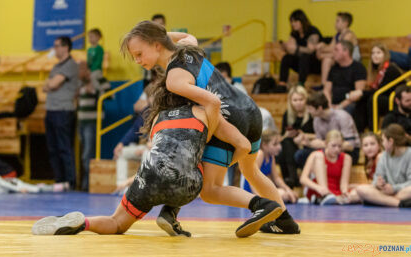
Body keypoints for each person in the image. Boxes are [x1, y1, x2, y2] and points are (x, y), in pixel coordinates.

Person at [120, 21, 299, 236]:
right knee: (250, 170)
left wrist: (208, 136)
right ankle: (285, 221)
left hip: (228, 118)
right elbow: (179, 37)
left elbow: (213, 103)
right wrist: (156, 36)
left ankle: (261, 205)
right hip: (250, 110)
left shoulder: (174, 80)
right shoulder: (189, 47)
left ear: (156, 45)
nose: (138, 61)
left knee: (209, 189)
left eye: (139, 53)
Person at [33, 102, 212, 236]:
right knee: (199, 163)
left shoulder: (159, 115)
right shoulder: (203, 111)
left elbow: (160, 156)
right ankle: (169, 212)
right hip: (183, 184)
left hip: (149, 175)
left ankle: (83, 224)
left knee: (116, 223)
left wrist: (129, 181)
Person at [0, 130, 69, 193]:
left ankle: (57, 187)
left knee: (31, 188)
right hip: (2, 175)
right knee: (29, 187)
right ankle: (52, 187)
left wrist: (17, 189)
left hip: (7, 173)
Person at [44, 36, 79, 189]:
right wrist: (50, 84)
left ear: (66, 47)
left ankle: (70, 181)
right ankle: (60, 180)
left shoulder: (71, 65)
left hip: (63, 111)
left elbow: (52, 83)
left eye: (57, 46)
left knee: (65, 147)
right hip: (51, 109)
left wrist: (51, 84)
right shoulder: (56, 67)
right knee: (52, 148)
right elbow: (46, 86)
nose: (55, 49)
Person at [355, 124, 411, 208]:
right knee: (361, 189)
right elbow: (376, 178)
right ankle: (398, 203)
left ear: (391, 141)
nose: (383, 144)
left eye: (383, 140)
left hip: (403, 192)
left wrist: (394, 188)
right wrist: (378, 184)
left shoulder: (409, 154)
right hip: (388, 192)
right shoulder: (383, 156)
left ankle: (384, 201)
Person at [297, 91, 360, 165]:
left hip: (348, 152)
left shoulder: (342, 117)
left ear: (319, 108)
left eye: (310, 109)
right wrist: (309, 143)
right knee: (301, 154)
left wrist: (326, 145)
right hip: (328, 150)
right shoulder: (316, 120)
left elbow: (350, 145)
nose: (308, 112)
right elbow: (319, 142)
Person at [355, 43, 402, 131]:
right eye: (373, 53)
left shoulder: (391, 69)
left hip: (396, 101)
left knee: (373, 99)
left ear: (385, 55)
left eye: (378, 53)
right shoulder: (376, 71)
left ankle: (373, 131)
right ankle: (359, 132)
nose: (375, 56)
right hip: (383, 98)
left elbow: (381, 91)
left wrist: (361, 92)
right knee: (362, 100)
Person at [299, 130, 352, 205]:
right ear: (326, 144)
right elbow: (303, 179)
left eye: (339, 146)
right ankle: (325, 196)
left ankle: (334, 199)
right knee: (319, 156)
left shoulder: (346, 158)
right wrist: (319, 188)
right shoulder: (316, 155)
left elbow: (344, 184)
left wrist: (345, 193)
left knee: (359, 192)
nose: (337, 149)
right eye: (333, 146)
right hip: (319, 190)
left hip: (336, 192)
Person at [323, 40, 367, 131]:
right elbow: (326, 90)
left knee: (346, 112)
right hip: (333, 103)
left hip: (350, 103)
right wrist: (329, 104)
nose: (333, 52)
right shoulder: (334, 68)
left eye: (336, 50)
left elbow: (358, 93)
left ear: (345, 51)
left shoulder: (358, 68)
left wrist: (340, 107)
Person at [276, 9, 323, 92]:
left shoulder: (312, 31)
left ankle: (301, 84)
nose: (293, 24)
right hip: (301, 65)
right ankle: (282, 84)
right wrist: (286, 47)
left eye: (295, 21)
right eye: (291, 22)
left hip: (315, 63)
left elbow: (310, 50)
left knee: (304, 56)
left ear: (302, 21)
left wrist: (296, 48)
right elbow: (291, 48)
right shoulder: (294, 33)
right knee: (286, 57)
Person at [277, 85, 314, 187]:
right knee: (285, 145)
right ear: (291, 101)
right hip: (290, 147)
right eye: (295, 100)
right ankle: (290, 179)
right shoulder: (287, 115)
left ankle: (291, 179)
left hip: (307, 144)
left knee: (286, 145)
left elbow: (318, 135)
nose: (298, 103)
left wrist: (304, 135)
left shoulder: (311, 114)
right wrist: (287, 135)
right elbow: (281, 137)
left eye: (301, 99)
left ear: (305, 99)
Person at [253, 129, 298, 204]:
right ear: (264, 145)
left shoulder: (271, 157)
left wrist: (288, 189)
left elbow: (276, 178)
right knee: (284, 195)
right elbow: (252, 178)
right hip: (252, 190)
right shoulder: (260, 154)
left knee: (293, 195)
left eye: (279, 143)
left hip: (262, 189)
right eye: (275, 144)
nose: (279, 147)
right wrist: (257, 197)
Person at [317, 12, 360, 87]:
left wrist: (323, 54)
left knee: (327, 59)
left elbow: (341, 50)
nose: (335, 23)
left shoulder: (349, 35)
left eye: (338, 21)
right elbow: (331, 48)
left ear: (345, 23)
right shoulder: (337, 35)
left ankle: (324, 85)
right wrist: (321, 46)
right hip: (339, 56)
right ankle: (323, 85)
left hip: (350, 58)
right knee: (327, 59)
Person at [77, 61, 99, 191]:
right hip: (81, 121)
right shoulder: (80, 83)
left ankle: (88, 185)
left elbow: (108, 94)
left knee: (87, 154)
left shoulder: (96, 80)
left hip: (91, 122)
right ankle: (85, 183)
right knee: (84, 153)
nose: (79, 72)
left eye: (82, 69)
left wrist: (94, 90)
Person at [87, 28, 110, 95]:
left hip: (96, 70)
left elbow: (98, 61)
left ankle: (103, 90)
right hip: (90, 70)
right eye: (89, 37)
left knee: (93, 78)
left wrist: (92, 69)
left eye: (92, 37)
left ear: (98, 37)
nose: (90, 39)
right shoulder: (89, 49)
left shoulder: (99, 48)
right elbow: (88, 61)